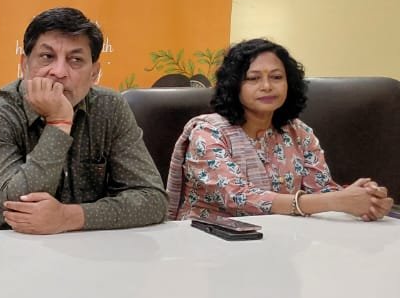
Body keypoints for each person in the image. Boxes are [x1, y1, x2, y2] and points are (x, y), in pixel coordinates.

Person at [0, 6, 167, 234]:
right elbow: (19, 203)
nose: (59, 72)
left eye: (75, 60)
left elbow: (153, 199)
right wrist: (58, 122)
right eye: (47, 57)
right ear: (24, 65)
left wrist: (69, 217)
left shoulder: (110, 108)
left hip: (84, 245)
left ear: (94, 73)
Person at [168, 38, 392, 221]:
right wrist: (336, 201)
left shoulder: (299, 132)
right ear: (234, 86)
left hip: (283, 240)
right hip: (211, 242)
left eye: (276, 77)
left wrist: (362, 198)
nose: (267, 86)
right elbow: (238, 197)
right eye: (253, 78)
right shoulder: (208, 133)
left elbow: (320, 190)